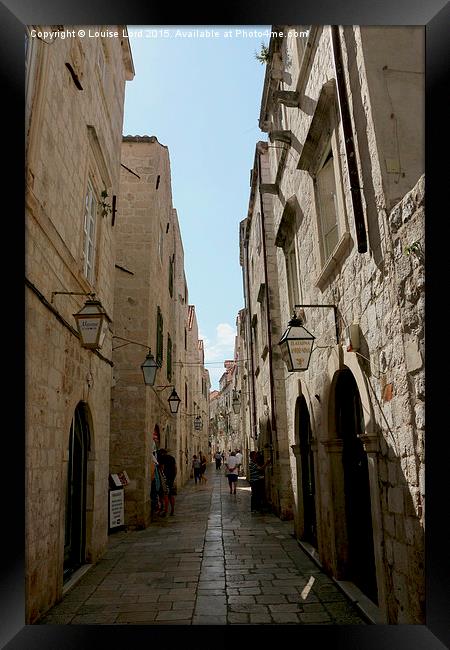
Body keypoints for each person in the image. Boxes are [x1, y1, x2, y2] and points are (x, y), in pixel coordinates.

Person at [158, 449, 177, 516]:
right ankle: (172, 510)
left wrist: (162, 477)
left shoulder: (162, 458)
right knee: (170, 495)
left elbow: (162, 468)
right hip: (171, 478)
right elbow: (175, 468)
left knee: (165, 494)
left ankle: (165, 511)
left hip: (165, 478)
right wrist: (173, 477)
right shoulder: (172, 458)